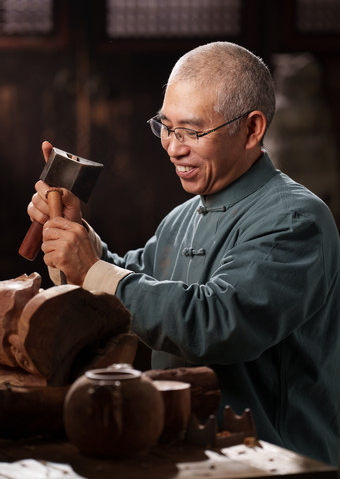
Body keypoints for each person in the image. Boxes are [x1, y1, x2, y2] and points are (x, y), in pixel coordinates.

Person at [28, 41, 340, 466]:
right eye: (166, 127)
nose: (173, 147)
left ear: (252, 129)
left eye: (192, 131)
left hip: (274, 459)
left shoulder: (295, 219)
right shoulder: (182, 216)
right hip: (188, 451)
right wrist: (73, 238)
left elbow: (217, 324)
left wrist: (91, 267)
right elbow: (130, 280)